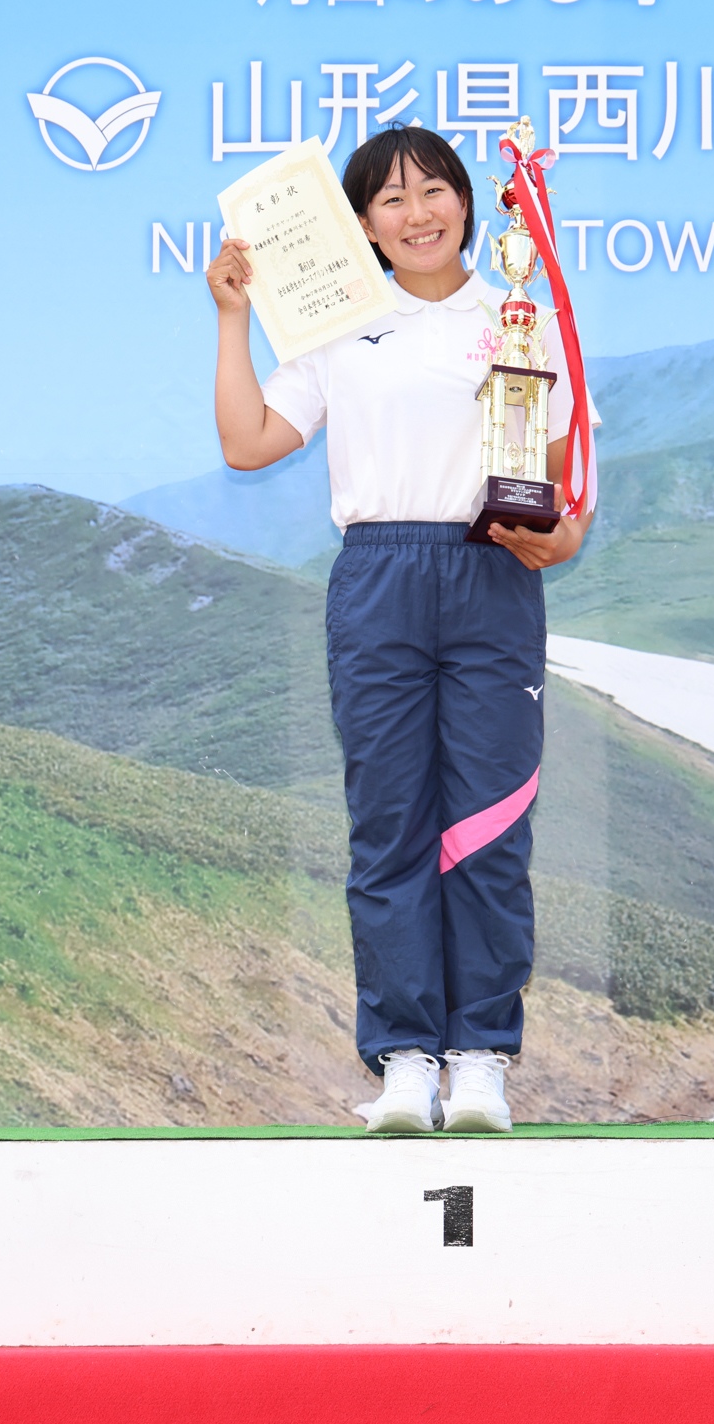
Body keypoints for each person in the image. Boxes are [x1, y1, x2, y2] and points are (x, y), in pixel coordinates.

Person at [207, 125, 595, 1135]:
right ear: (361, 226)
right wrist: (233, 319)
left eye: (432, 191)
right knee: (389, 829)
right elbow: (248, 443)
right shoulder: (339, 330)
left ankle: (480, 1059)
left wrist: (561, 535)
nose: (416, 213)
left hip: (490, 578)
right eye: (389, 199)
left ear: (467, 202)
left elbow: (564, 482)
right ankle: (405, 1061)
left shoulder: (521, 316)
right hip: (378, 580)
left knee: (487, 830)